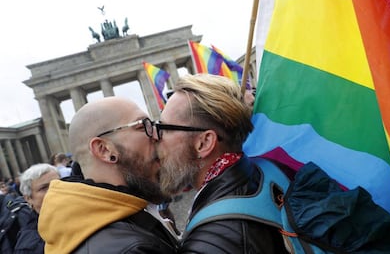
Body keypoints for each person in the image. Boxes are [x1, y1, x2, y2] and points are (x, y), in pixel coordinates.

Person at [154, 74, 288, 253]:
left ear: (204, 142)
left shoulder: (211, 244)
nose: (155, 137)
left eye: (164, 129)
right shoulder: (264, 171)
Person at [38, 96, 178, 253]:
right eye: (142, 126)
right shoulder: (130, 249)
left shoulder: (124, 219)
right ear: (104, 150)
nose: (157, 135)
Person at [13, 163, 60, 253]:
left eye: (58, 183)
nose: (55, 189)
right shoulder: (28, 247)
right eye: (44, 188)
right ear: (28, 198)